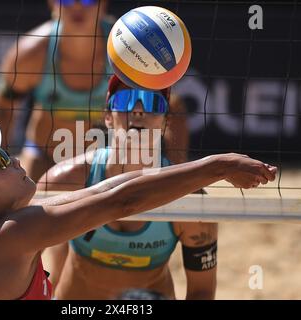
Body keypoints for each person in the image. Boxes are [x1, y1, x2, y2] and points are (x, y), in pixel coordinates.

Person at [0, 124, 276, 300]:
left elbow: (106, 189)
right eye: (0, 160)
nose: (14, 158)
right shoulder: (11, 234)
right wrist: (218, 166)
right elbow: (119, 204)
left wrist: (205, 169)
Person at [38, 75, 220, 299]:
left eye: (153, 102)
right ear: (107, 117)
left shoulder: (191, 203)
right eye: (125, 100)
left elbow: (201, 292)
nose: (138, 110)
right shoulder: (64, 181)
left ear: (164, 121)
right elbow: (21, 258)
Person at [0, 0, 189, 182]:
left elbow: (173, 107)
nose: (77, 5)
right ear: (52, 4)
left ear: (103, 3)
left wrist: (175, 167)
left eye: (87, 0)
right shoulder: (31, 52)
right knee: (20, 210)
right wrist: (0, 163)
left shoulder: (129, 48)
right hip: (44, 157)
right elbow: (4, 106)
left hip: (108, 164)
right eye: (66, 0)